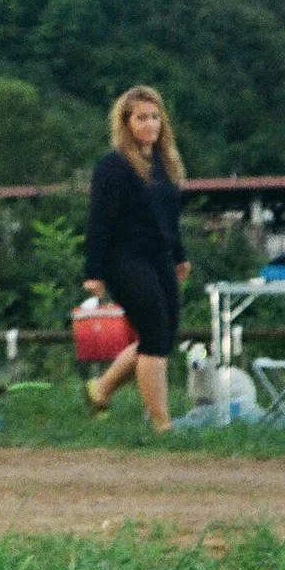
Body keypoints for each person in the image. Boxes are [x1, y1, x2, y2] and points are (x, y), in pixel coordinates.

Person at [82, 85, 189, 432]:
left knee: (164, 334)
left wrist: (179, 255)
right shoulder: (113, 166)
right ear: (126, 123)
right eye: (141, 118)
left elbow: (169, 216)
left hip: (160, 256)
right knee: (155, 334)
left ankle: (100, 389)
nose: (150, 124)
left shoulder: (164, 163)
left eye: (155, 117)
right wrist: (94, 272)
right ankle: (162, 425)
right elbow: (99, 221)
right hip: (124, 258)